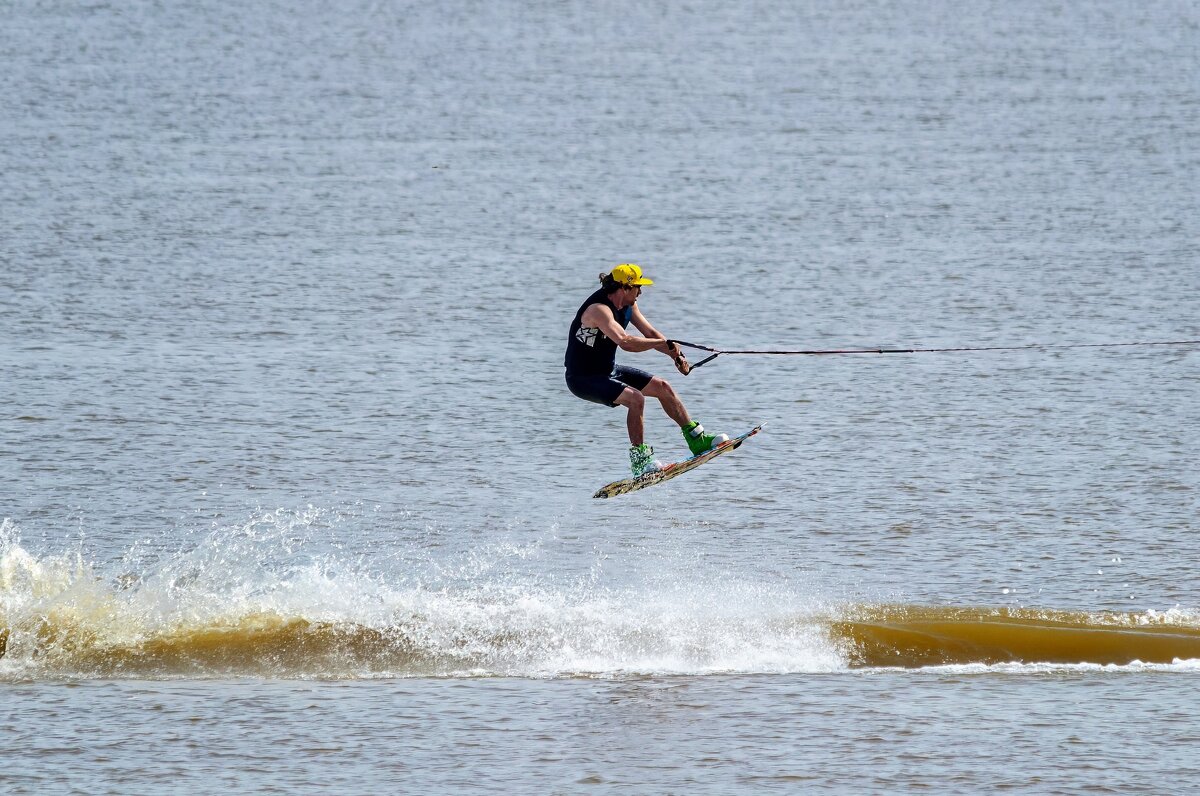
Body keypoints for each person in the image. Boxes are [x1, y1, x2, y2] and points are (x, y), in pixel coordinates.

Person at [565, 263, 728, 477]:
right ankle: (641, 462)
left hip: (607, 370)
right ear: (624, 287)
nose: (640, 292)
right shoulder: (598, 310)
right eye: (638, 287)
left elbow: (650, 333)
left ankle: (697, 440)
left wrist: (675, 355)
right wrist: (658, 343)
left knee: (663, 387)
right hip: (582, 378)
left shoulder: (629, 306)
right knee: (636, 399)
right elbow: (625, 342)